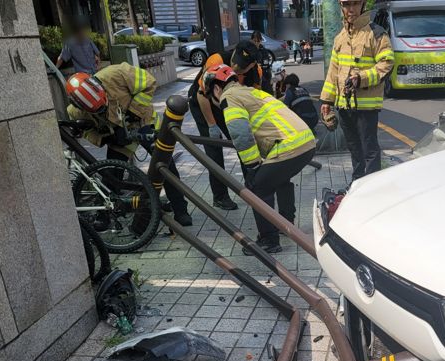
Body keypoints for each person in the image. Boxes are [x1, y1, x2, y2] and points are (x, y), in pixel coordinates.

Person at [204, 64, 316, 254]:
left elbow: (240, 133)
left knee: (257, 186)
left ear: (216, 88)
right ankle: (285, 224)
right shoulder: (251, 91)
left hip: (289, 146)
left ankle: (268, 240)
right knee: (280, 179)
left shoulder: (228, 97)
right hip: (306, 142)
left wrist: (253, 166)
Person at [65, 64, 192, 226]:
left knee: (165, 166)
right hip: (118, 136)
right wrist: (106, 138)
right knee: (111, 173)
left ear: (98, 86)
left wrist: (133, 113)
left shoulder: (116, 74)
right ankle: (103, 216)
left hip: (145, 122)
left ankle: (181, 211)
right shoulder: (74, 112)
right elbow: (86, 132)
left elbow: (149, 82)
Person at [320, 0, 394, 182]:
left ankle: (372, 188)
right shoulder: (340, 37)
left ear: (362, 5)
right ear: (341, 7)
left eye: (354, 4)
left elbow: (387, 63)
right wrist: (327, 101)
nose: (350, 9)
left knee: (369, 150)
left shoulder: (376, 34)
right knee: (354, 150)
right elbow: (333, 73)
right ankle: (357, 185)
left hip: (366, 108)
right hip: (345, 106)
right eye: (346, 5)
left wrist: (361, 78)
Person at [187, 41, 264, 211]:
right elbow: (202, 96)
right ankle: (220, 196)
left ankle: (254, 190)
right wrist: (212, 125)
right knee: (214, 149)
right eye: (234, 64)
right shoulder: (216, 60)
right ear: (234, 51)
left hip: (230, 103)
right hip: (204, 103)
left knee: (245, 143)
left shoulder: (255, 73)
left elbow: (254, 100)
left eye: (240, 68)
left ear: (251, 65)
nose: (235, 69)